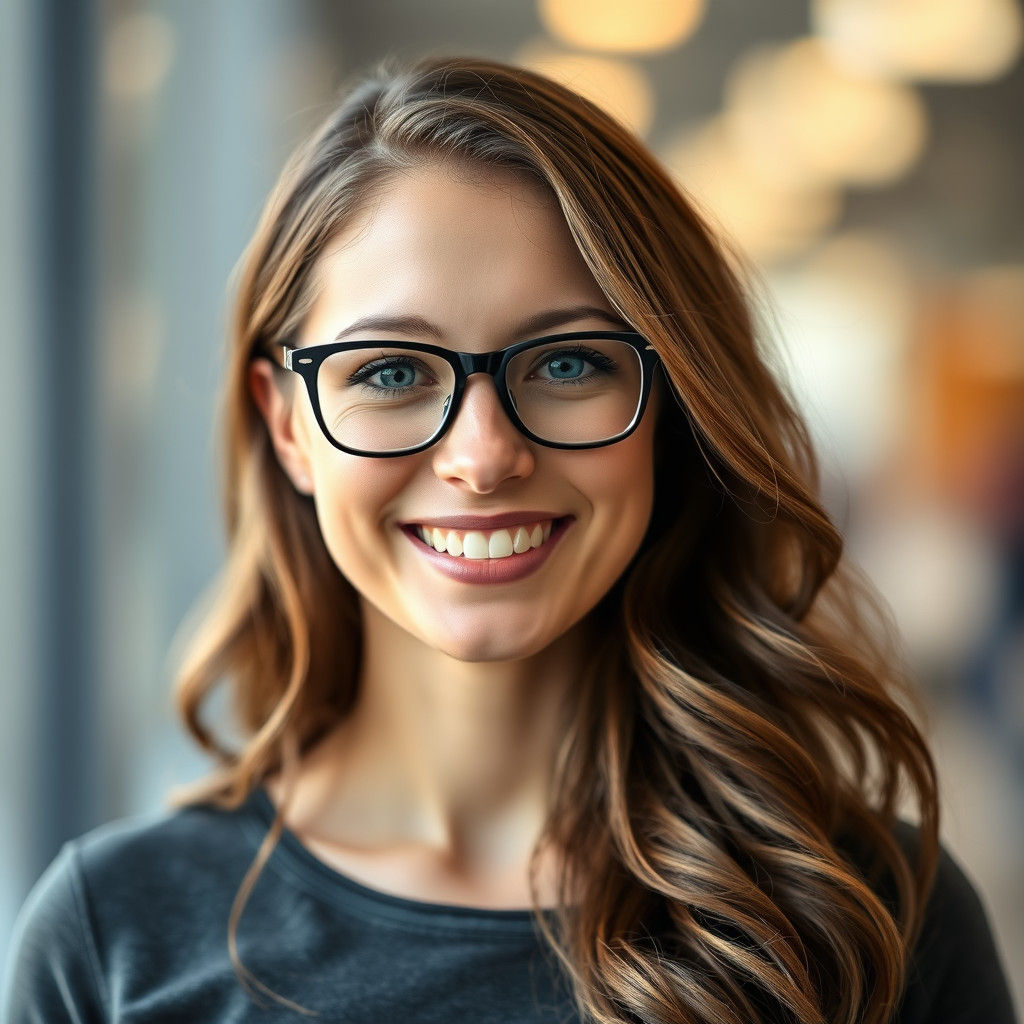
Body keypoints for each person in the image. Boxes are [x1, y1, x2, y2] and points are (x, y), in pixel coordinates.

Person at [2, 54, 1017, 1024]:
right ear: (286, 425)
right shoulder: (114, 935)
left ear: (669, 406)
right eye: (392, 373)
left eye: (568, 364)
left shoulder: (869, 911)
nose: (483, 456)